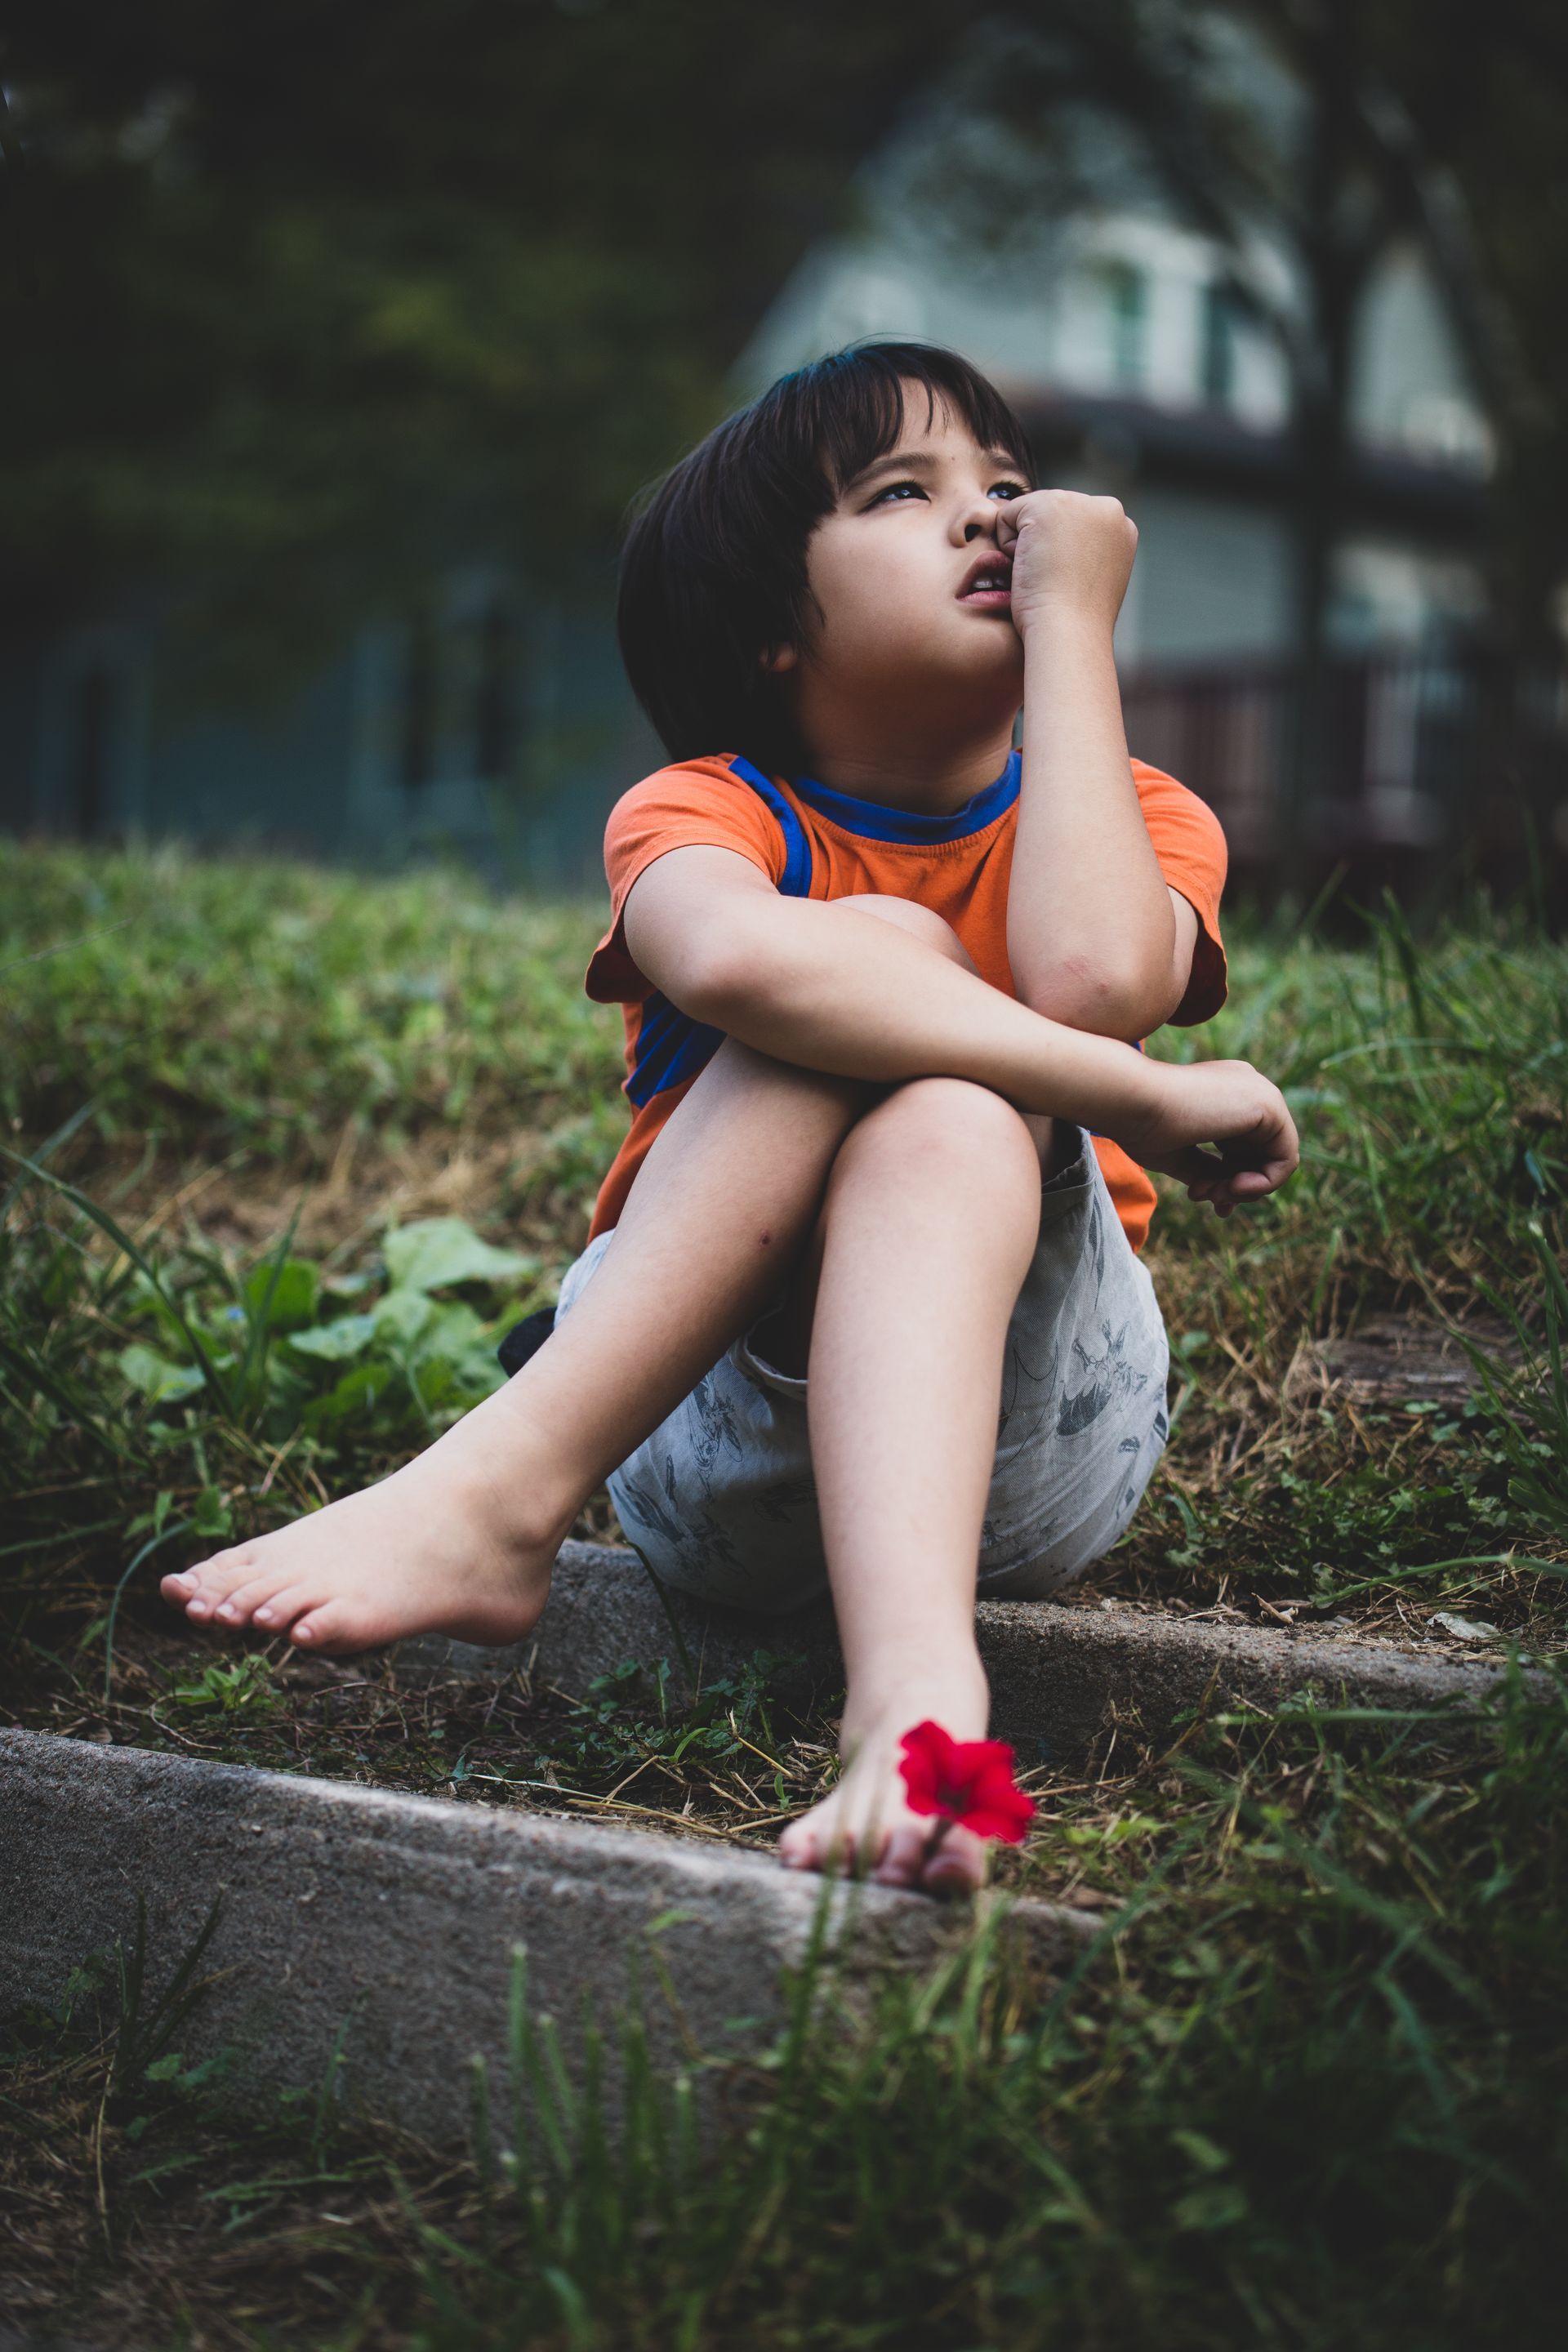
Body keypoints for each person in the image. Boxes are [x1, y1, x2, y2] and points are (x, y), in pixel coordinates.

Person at [163, 342, 1298, 1894]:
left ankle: (911, 1695)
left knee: (956, 1112)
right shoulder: (701, 810)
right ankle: (509, 1493)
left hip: (1028, 1456)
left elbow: (1094, 979)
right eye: (907, 493)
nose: (994, 522)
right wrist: (1148, 1101)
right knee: (868, 963)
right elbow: (743, 960)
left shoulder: (1145, 816)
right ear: (770, 627)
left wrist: (1077, 634)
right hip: (705, 1443)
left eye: (1013, 492)